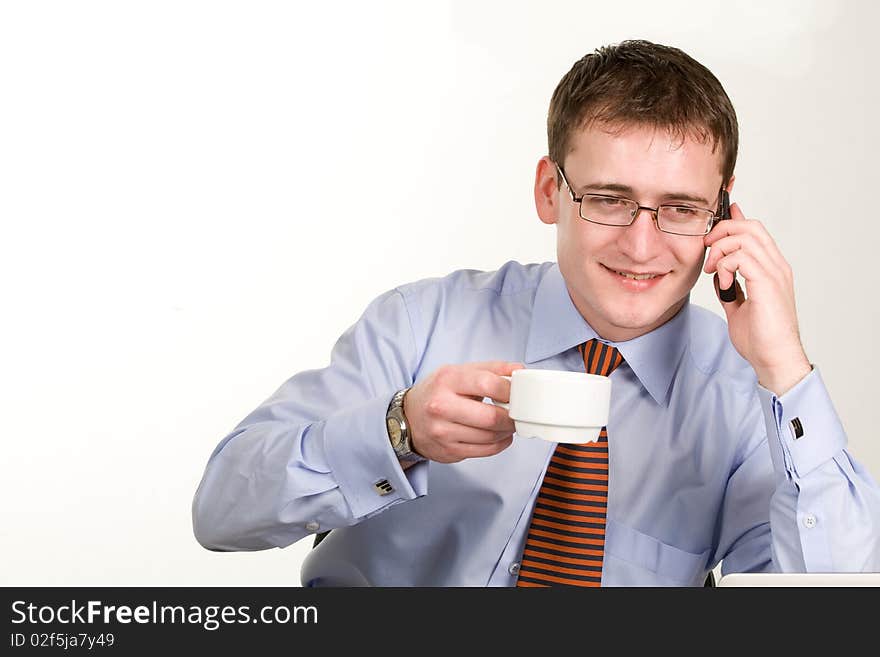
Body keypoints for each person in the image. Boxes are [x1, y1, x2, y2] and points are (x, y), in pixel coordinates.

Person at [191, 39, 880, 586]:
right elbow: (221, 510)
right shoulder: (419, 323)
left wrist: (785, 365)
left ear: (722, 213)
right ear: (551, 190)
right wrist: (396, 429)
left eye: (680, 208)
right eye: (609, 198)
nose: (642, 246)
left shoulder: (744, 399)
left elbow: (836, 600)